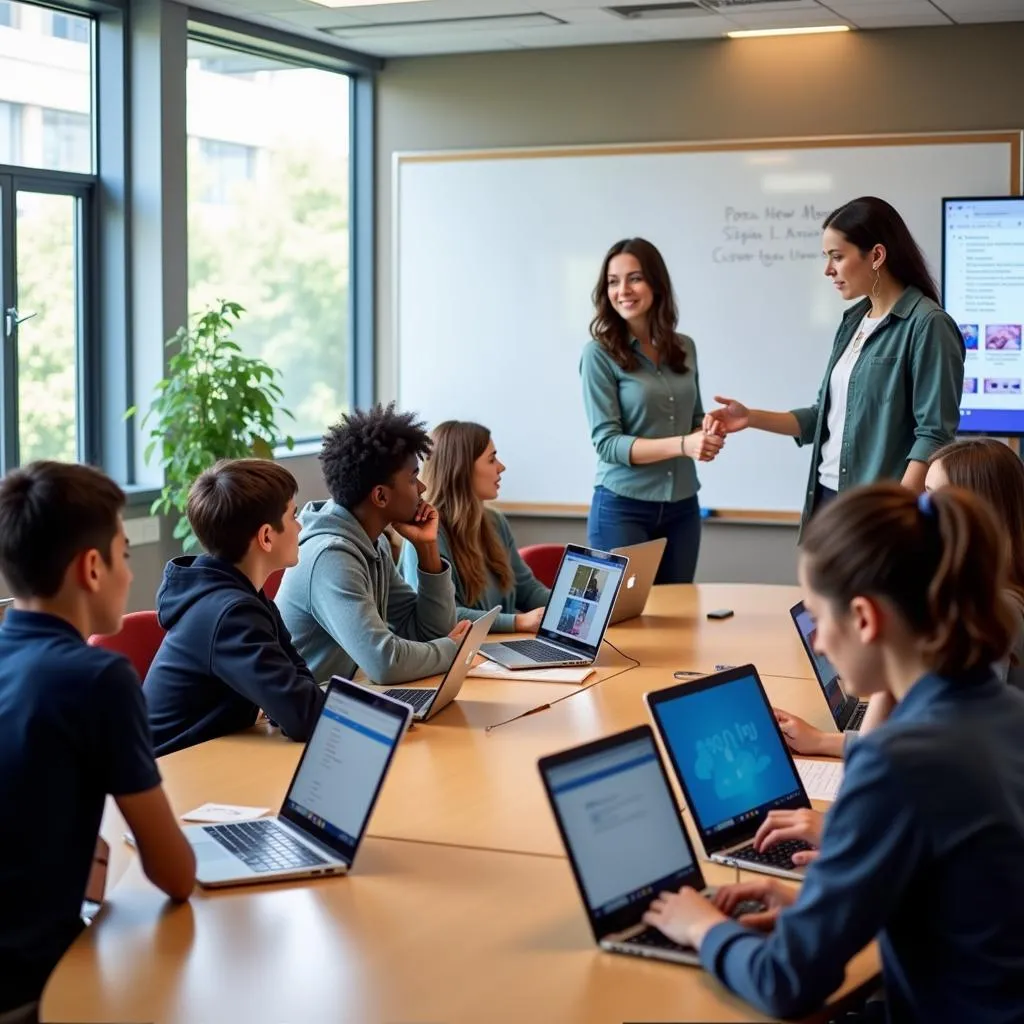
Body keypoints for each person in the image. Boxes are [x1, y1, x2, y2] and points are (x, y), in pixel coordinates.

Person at [640, 482, 1024, 1022]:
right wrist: (816, 907)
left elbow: (787, 983)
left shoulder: (898, 763)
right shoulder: (1007, 710)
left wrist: (699, 925)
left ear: (865, 620)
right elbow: (964, 896)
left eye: (820, 619)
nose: (817, 643)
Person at [0, 462, 195, 1021]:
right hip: (31, 984)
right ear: (92, 567)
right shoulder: (97, 678)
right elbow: (175, 875)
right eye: (124, 555)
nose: (130, 574)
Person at [704, 197, 965, 534]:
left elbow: (934, 434)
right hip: (827, 500)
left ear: (877, 256)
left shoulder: (928, 324)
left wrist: (895, 514)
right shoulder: (853, 322)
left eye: (837, 257)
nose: (828, 270)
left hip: (879, 511)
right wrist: (750, 417)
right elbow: (820, 417)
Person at [777, 436, 1024, 760]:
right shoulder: (995, 594)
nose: (920, 513)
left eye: (933, 501)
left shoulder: (989, 611)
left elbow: (953, 748)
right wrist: (824, 741)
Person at [143, 459, 325, 757]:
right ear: (267, 537)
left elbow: (300, 687)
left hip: (212, 758)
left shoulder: (246, 597)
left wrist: (292, 704)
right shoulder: (230, 612)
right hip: (173, 773)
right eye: (293, 516)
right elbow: (304, 715)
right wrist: (292, 705)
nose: (300, 526)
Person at [277, 404, 468, 685]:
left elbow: (426, 633)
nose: (422, 489)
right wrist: (456, 650)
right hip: (302, 720)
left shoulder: (372, 543)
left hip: (341, 701)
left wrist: (427, 549)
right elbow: (385, 663)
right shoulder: (330, 557)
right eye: (413, 478)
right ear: (380, 496)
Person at [580, 237, 723, 584]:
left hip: (683, 506)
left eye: (635, 278)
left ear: (656, 284)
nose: (623, 290)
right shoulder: (598, 354)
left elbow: (693, 419)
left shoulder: (684, 347)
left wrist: (710, 431)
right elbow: (608, 444)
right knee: (625, 625)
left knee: (677, 616)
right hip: (621, 507)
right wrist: (684, 445)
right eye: (613, 281)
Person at [398, 421, 551, 633]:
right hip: (453, 658)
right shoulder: (425, 534)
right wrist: (517, 622)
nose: (501, 467)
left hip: (494, 652)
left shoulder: (495, 521)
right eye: (491, 459)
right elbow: (440, 616)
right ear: (462, 468)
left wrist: (572, 607)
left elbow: (527, 590)